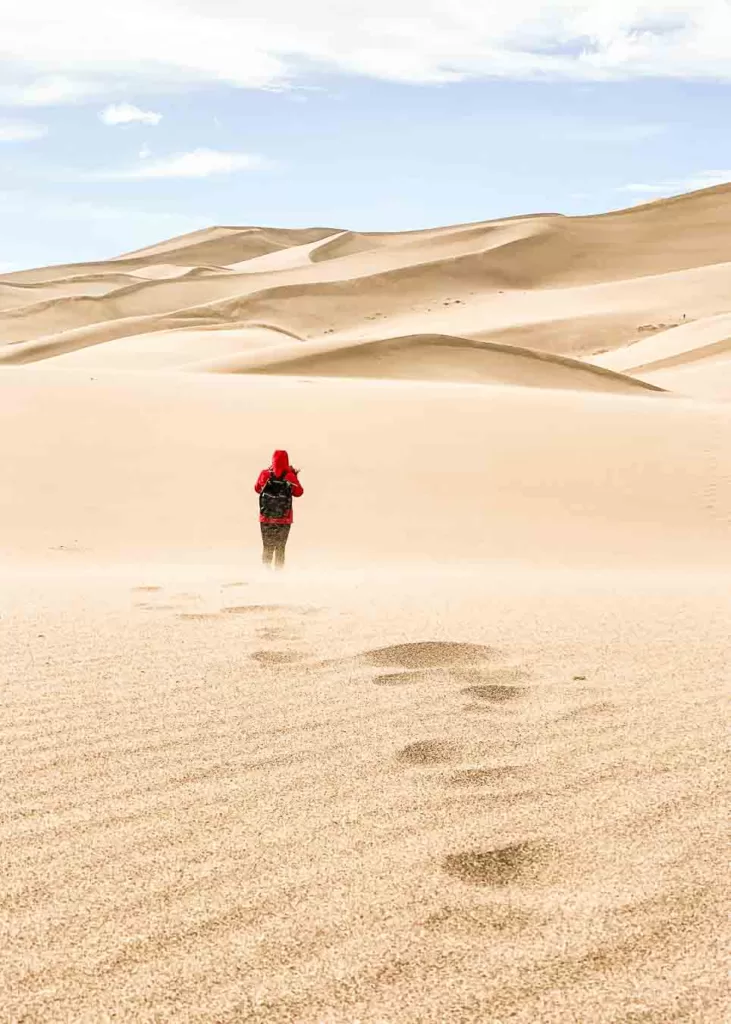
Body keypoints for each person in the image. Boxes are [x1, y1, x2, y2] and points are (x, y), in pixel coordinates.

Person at [254, 450, 303, 569]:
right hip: (284, 519)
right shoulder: (289, 476)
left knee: (267, 546)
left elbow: (257, 489)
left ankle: (266, 572)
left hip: (266, 517)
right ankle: (278, 574)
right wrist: (294, 476)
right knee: (280, 548)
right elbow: (299, 492)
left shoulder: (265, 474)